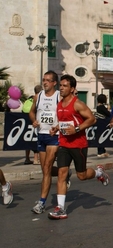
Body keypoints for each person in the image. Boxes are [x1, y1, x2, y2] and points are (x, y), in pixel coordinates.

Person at [48, 74, 110, 219]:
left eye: (64, 86)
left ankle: (99, 173)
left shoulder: (77, 104)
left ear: (72, 89)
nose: (61, 88)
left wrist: (76, 129)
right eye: (60, 85)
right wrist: (56, 128)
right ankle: (61, 209)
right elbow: (65, 122)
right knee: (62, 174)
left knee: (81, 176)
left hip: (78, 145)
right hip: (63, 143)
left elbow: (92, 119)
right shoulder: (59, 104)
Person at [29, 73, 67, 214]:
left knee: (47, 167)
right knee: (46, 170)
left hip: (54, 136)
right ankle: (66, 173)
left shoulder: (59, 97)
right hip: (41, 135)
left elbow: (66, 113)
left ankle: (41, 202)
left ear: (54, 83)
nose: (45, 83)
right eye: (43, 80)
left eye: (48, 81)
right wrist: (33, 120)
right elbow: (31, 112)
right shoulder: (38, 96)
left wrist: (58, 126)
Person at [24, 85, 42, 165]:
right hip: (35, 122)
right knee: (36, 140)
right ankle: (35, 159)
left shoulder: (29, 99)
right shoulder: (38, 98)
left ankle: (27, 158)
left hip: (26, 122)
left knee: (28, 141)